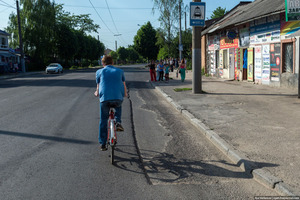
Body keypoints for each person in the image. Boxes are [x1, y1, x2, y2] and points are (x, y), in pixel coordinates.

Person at [94, 55, 127, 151]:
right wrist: (124, 94)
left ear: (103, 63)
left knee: (103, 120)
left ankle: (103, 144)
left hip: (105, 99)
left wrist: (97, 93)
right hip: (117, 98)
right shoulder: (120, 71)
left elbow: (98, 86)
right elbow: (124, 85)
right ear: (112, 62)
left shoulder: (99, 72)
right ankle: (118, 122)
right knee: (118, 105)